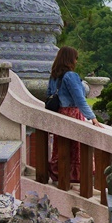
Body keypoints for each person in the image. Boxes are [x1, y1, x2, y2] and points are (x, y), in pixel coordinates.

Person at [47, 46, 94, 181]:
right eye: (75, 58)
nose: (76, 62)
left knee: (61, 147)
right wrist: (92, 117)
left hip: (60, 113)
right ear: (70, 59)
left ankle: (60, 175)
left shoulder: (54, 76)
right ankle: (74, 177)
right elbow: (80, 99)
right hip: (73, 113)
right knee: (76, 148)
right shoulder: (71, 76)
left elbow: (49, 95)